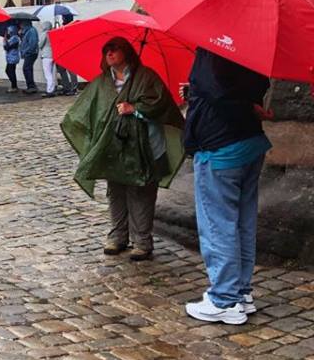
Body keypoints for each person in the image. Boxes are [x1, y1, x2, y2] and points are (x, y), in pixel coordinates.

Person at [61, 37, 185, 263]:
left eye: (114, 49)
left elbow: (161, 105)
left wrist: (135, 108)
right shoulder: (101, 83)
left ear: (126, 52)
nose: (109, 53)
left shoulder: (147, 78)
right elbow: (89, 110)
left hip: (144, 148)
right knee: (116, 192)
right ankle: (118, 236)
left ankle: (142, 241)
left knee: (141, 192)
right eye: (106, 49)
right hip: (113, 149)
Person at [183, 48, 272, 325]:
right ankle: (242, 293)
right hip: (250, 143)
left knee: (218, 225)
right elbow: (245, 90)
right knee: (243, 224)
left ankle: (224, 299)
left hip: (220, 148)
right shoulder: (252, 50)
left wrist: (194, 92)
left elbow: (216, 90)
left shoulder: (212, 50)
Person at [19, 22, 39, 94]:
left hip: (31, 53)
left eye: (21, 24)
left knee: (26, 68)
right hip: (29, 53)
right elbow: (25, 42)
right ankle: (31, 86)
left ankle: (31, 87)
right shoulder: (27, 31)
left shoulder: (31, 31)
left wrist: (26, 51)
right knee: (28, 69)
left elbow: (33, 43)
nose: (20, 25)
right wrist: (21, 34)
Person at [39, 20, 57, 98]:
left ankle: (49, 90)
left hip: (46, 55)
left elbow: (40, 44)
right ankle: (51, 89)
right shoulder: (53, 33)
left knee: (47, 74)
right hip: (53, 54)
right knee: (52, 73)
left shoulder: (44, 34)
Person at [4, 26, 20, 93]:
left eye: (9, 30)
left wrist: (5, 40)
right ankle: (14, 85)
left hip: (13, 58)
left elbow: (7, 47)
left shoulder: (15, 38)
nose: (8, 32)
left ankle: (14, 86)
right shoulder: (11, 38)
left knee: (9, 71)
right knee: (10, 71)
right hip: (10, 57)